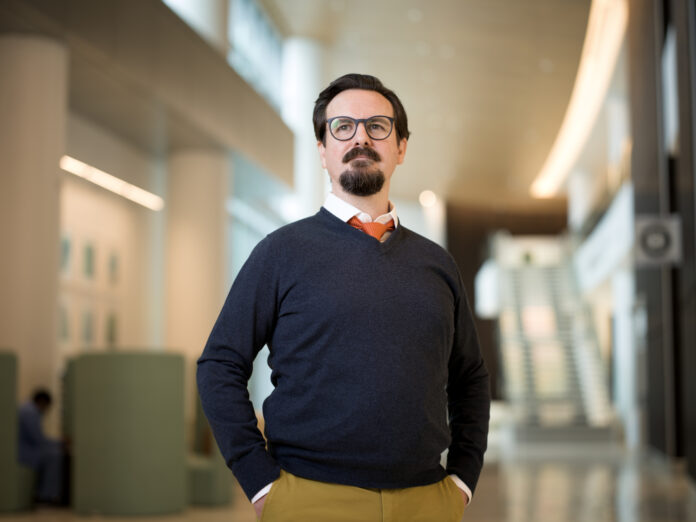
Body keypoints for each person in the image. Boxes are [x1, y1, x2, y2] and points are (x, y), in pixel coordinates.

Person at [197, 73, 490, 521]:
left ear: (401, 147)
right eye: (343, 127)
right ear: (322, 150)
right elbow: (220, 364)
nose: (360, 138)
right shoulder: (280, 253)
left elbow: (470, 375)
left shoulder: (438, 264)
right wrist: (259, 482)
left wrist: (463, 479)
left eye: (377, 126)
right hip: (308, 498)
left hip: (427, 500)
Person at [18, 389, 66, 504]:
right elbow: (38, 439)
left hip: (26, 448)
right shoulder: (30, 412)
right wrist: (60, 443)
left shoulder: (26, 409)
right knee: (54, 456)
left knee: (53, 453)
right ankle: (47, 496)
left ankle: (46, 493)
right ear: (42, 402)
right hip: (24, 451)